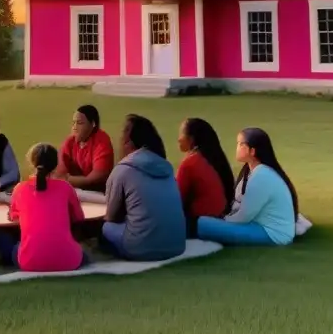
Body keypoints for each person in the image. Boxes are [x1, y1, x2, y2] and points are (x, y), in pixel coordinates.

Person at [100, 114, 186, 261]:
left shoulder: (123, 169)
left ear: (128, 141)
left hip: (140, 248)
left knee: (106, 227)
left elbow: (112, 216)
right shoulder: (166, 167)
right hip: (176, 245)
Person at [196, 127, 298, 246]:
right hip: (260, 226)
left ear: (252, 151)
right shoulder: (252, 172)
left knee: (202, 224)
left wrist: (223, 221)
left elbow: (244, 216)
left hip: (272, 234)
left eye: (240, 144)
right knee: (206, 221)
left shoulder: (262, 176)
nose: (237, 148)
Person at [5, 143, 88, 272]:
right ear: (55, 165)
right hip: (69, 260)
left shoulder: (20, 189)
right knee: (85, 251)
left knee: (12, 246)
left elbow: (13, 217)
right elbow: (79, 217)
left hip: (30, 262)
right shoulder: (65, 187)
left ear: (32, 163)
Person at [176, 118, 236, 236]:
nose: (178, 139)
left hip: (200, 224)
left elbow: (176, 200)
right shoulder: (214, 159)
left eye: (181, 134)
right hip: (222, 221)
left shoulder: (190, 163)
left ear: (191, 139)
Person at [56, 104, 114, 192]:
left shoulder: (102, 142)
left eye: (80, 123)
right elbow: (59, 173)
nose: (74, 127)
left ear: (93, 124)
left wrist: (67, 179)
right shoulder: (70, 141)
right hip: (76, 190)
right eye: (73, 123)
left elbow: (94, 179)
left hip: (99, 194)